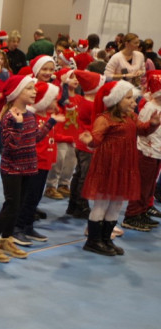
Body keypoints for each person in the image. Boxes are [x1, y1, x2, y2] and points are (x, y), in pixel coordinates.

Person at [0, 74, 59, 263]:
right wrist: (19, 125)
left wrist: (50, 123)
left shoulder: (30, 114)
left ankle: (5, 240)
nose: (35, 91)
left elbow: (35, 138)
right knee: (10, 206)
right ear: (16, 93)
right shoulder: (10, 117)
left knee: (18, 206)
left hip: (28, 167)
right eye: (29, 88)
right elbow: (11, 146)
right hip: (12, 168)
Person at [80, 81, 160, 254]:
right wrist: (90, 141)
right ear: (116, 100)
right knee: (102, 203)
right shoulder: (104, 119)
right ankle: (93, 240)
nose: (134, 102)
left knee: (116, 204)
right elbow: (97, 139)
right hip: (107, 167)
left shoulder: (131, 117)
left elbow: (142, 130)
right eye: (129, 98)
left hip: (124, 166)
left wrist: (152, 123)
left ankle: (106, 239)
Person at [12, 81, 62, 245]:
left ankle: (27, 225)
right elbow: (33, 139)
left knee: (36, 197)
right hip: (34, 164)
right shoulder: (32, 117)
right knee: (27, 197)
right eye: (53, 99)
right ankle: (17, 228)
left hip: (45, 163)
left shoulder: (48, 116)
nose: (56, 103)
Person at [122, 73, 161, 232]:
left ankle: (143, 211)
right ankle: (132, 214)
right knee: (141, 184)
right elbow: (142, 129)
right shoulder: (150, 107)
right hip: (147, 151)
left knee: (149, 186)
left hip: (157, 151)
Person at [65, 70, 105, 220]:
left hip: (81, 142)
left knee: (79, 173)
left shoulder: (83, 100)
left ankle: (73, 204)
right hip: (88, 144)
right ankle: (81, 205)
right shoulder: (92, 104)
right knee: (85, 176)